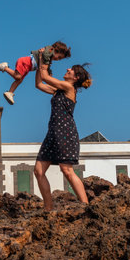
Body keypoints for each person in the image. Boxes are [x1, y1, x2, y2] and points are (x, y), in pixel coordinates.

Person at [34, 50, 92, 211]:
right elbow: (39, 84)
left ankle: (85, 207)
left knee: (66, 170)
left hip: (65, 132)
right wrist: (40, 65)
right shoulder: (58, 90)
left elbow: (46, 77)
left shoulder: (68, 87)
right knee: (38, 171)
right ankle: (48, 208)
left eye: (71, 70)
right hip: (52, 133)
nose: (67, 69)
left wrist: (43, 58)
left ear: (76, 78)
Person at [0, 41, 71, 105]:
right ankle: (5, 67)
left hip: (28, 67)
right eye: (59, 57)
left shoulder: (49, 59)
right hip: (26, 62)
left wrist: (49, 71)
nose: (57, 59)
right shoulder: (50, 49)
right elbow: (45, 55)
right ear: (57, 50)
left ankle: (10, 92)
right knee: (17, 77)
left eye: (60, 59)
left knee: (19, 80)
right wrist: (46, 65)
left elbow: (45, 65)